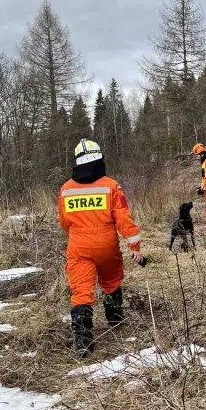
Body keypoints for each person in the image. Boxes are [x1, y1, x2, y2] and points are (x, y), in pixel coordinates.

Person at [58, 139, 143, 355]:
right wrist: (135, 246)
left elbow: (64, 222)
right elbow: (124, 219)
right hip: (107, 244)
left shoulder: (66, 189)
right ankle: (114, 320)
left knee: (81, 291)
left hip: (78, 246)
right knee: (112, 281)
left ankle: (83, 342)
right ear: (99, 158)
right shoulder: (111, 186)